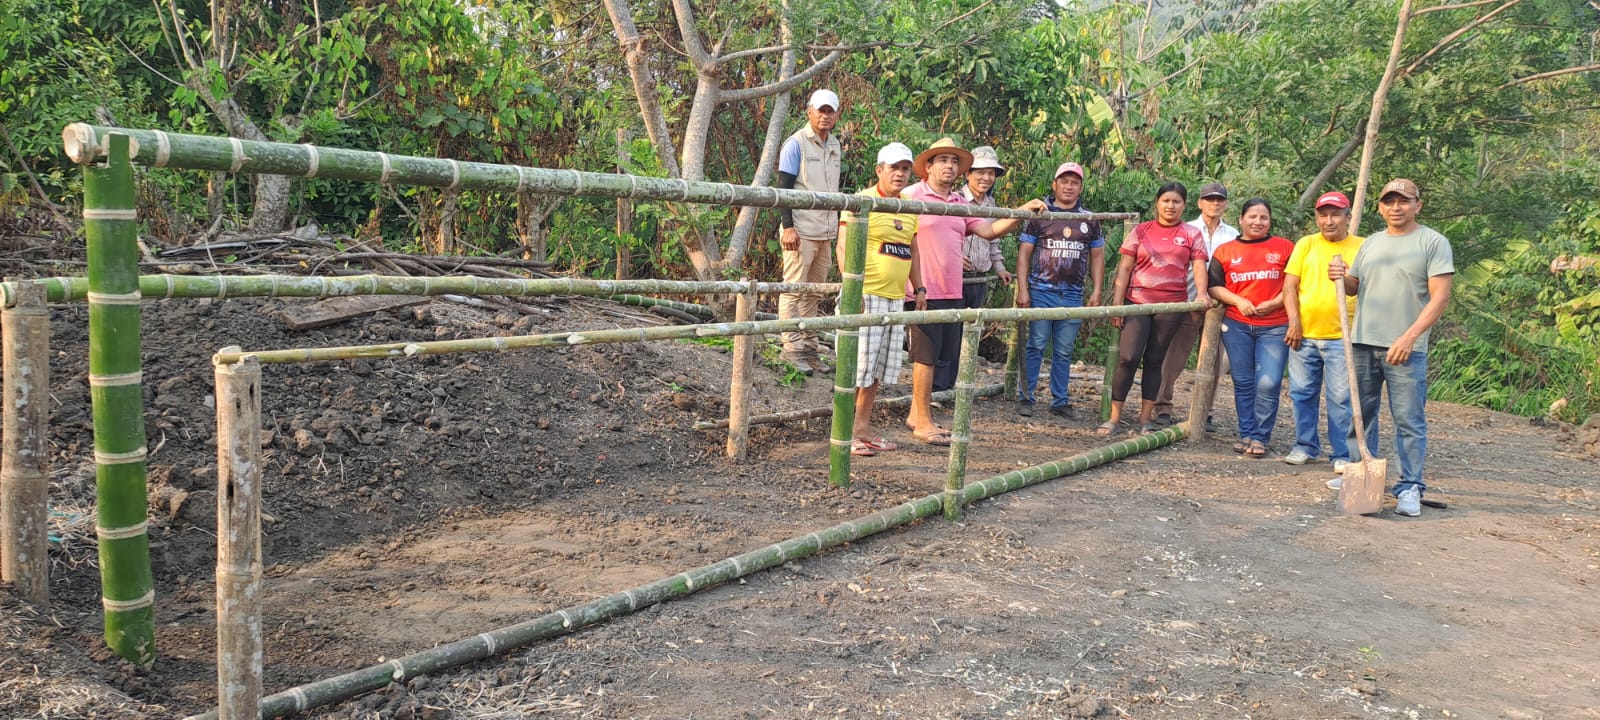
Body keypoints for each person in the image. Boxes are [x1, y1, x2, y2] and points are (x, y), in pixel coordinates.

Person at [902, 138, 1044, 445]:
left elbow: (988, 231)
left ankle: (917, 413)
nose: (950, 166)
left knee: (941, 355)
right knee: (925, 357)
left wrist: (1021, 212)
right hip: (923, 289)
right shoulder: (911, 195)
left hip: (952, 289)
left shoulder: (959, 203)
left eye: (954, 161)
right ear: (929, 167)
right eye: (943, 160)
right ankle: (923, 421)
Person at [1328, 178, 1454, 517]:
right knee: (1359, 414)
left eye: (1403, 201)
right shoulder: (1371, 243)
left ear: (1418, 205)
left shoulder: (1433, 242)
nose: (1396, 207)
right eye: (1389, 201)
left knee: (1409, 420)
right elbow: (1354, 286)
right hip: (1362, 343)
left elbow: (1440, 297)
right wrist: (1340, 275)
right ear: (1380, 207)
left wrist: (1408, 337)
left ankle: (1409, 486)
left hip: (1405, 348)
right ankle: (1359, 471)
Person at [1101, 182, 1208, 436]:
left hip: (1171, 305)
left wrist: (1202, 293)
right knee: (1128, 358)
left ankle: (1145, 417)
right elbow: (1125, 268)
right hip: (1137, 302)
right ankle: (1114, 417)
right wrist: (1117, 305)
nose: (1170, 206)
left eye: (1176, 201)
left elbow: (1199, 266)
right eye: (1166, 200)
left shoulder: (1191, 234)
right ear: (1157, 203)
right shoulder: (1141, 230)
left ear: (1184, 205)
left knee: (1154, 359)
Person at [835, 143, 920, 457]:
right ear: (879, 170)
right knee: (856, 368)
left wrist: (920, 289)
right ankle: (843, 431)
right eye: (894, 168)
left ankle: (862, 428)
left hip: (895, 297)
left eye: (905, 169)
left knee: (878, 371)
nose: (900, 174)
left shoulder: (909, 207)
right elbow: (842, 247)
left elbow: (913, 250)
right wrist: (852, 290)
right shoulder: (862, 201)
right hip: (866, 295)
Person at [1282, 191, 1365, 473]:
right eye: (1323, 215)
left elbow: (1365, 286)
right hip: (1304, 336)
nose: (1329, 221)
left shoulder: (1362, 247)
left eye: (1335, 215)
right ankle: (1305, 445)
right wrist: (1294, 321)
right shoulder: (1306, 244)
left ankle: (1341, 452)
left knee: (1341, 397)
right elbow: (1290, 286)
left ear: (1348, 217)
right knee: (1301, 393)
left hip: (1343, 336)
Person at [1014, 161, 1104, 419]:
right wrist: (1023, 289)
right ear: (1054, 185)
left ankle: (1060, 400)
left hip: (1073, 293)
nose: (1069, 186)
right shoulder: (1039, 214)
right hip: (1041, 290)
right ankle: (1026, 397)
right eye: (1064, 181)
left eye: (1075, 182)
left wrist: (1097, 290)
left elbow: (1097, 256)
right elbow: (1024, 254)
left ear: (1081, 188)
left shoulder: (1089, 219)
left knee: (1064, 350)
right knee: (1036, 344)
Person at [1207, 198, 1293, 458]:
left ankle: (1260, 436)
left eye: (1263, 217)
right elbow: (1214, 286)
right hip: (1237, 324)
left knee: (1269, 382)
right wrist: (1238, 300)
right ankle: (1247, 433)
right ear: (1241, 219)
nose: (1258, 222)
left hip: (1275, 325)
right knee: (1243, 380)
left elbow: (1295, 284)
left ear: (1270, 221)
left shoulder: (1285, 248)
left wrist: (1275, 302)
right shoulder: (1225, 251)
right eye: (1252, 217)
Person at [1153, 182, 1238, 428]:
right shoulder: (1186, 229)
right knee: (1174, 356)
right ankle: (1162, 406)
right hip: (1187, 302)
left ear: (1226, 204)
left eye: (1219, 199)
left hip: (1220, 307)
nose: (1215, 203)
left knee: (1214, 361)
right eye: (1209, 199)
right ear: (1200, 203)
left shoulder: (1233, 235)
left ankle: (1205, 412)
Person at [775, 88, 843, 376]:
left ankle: (810, 348)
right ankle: (791, 348)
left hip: (825, 230)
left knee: (813, 293)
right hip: (801, 229)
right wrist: (788, 227)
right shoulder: (796, 144)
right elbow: (783, 188)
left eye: (830, 111)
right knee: (793, 289)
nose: (825, 116)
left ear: (837, 115)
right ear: (809, 112)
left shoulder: (835, 145)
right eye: (820, 110)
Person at [942, 146, 1016, 391]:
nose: (986, 178)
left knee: (972, 330)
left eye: (991, 173)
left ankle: (961, 384)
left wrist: (1000, 267)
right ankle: (943, 385)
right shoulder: (954, 200)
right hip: (954, 277)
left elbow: (992, 241)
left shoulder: (991, 204)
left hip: (979, 277)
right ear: (968, 174)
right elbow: (941, 234)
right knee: (950, 331)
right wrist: (953, 255)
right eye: (980, 172)